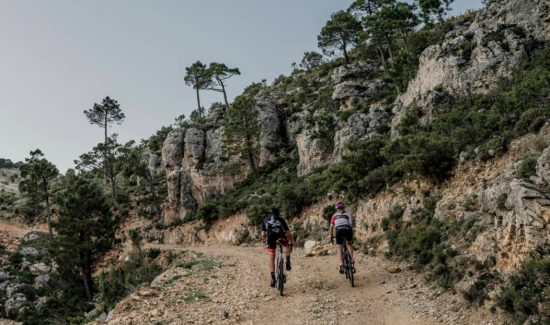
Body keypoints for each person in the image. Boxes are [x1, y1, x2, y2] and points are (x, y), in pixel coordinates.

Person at [261, 207, 294, 288]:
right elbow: (288, 233)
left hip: (270, 236)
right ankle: (288, 259)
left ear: (269, 214)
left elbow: (262, 234)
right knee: (286, 245)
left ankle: (273, 278)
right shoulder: (280, 219)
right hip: (280, 234)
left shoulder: (265, 219)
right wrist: (291, 242)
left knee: (271, 256)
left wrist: (267, 239)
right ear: (277, 213)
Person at [329, 201, 354, 274]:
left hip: (339, 231)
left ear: (336, 209)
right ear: (344, 208)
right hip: (347, 230)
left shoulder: (334, 215)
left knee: (339, 249)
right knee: (349, 243)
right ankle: (352, 259)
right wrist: (352, 236)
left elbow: (331, 227)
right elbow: (351, 225)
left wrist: (331, 235)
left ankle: (341, 263)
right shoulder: (348, 214)